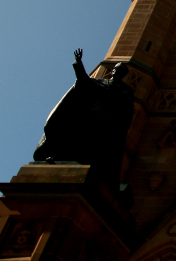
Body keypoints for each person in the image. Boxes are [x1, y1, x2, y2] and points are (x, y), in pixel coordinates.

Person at [34, 49, 134, 192]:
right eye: (115, 69)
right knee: (75, 138)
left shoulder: (125, 90)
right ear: (112, 71)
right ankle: (60, 157)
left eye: (120, 70)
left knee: (96, 147)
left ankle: (95, 171)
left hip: (105, 123)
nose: (116, 72)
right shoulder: (99, 82)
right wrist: (79, 63)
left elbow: (125, 109)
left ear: (123, 74)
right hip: (88, 117)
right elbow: (84, 81)